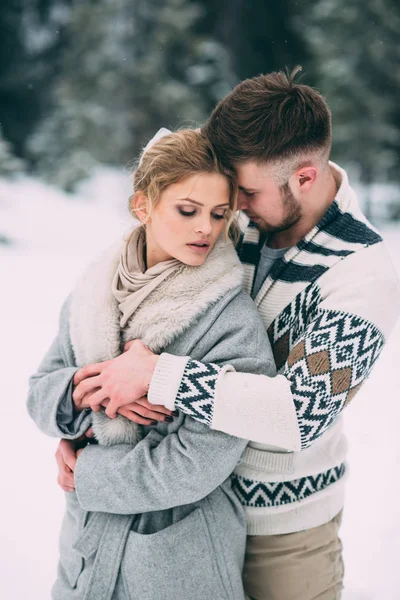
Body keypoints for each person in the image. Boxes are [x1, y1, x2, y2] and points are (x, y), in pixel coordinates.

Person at [56, 68, 400, 600]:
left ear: (304, 178)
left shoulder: (363, 270)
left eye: (245, 192)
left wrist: (158, 375)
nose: (229, 210)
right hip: (183, 518)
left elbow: (297, 415)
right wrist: (86, 423)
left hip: (281, 533)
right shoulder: (233, 219)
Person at [27, 128, 277, 600]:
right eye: (188, 210)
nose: (206, 227)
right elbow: (40, 390)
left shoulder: (230, 319)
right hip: (86, 549)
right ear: (142, 206)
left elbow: (196, 463)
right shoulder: (93, 291)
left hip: (177, 559)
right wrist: (84, 391)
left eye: (219, 214)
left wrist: (88, 472)